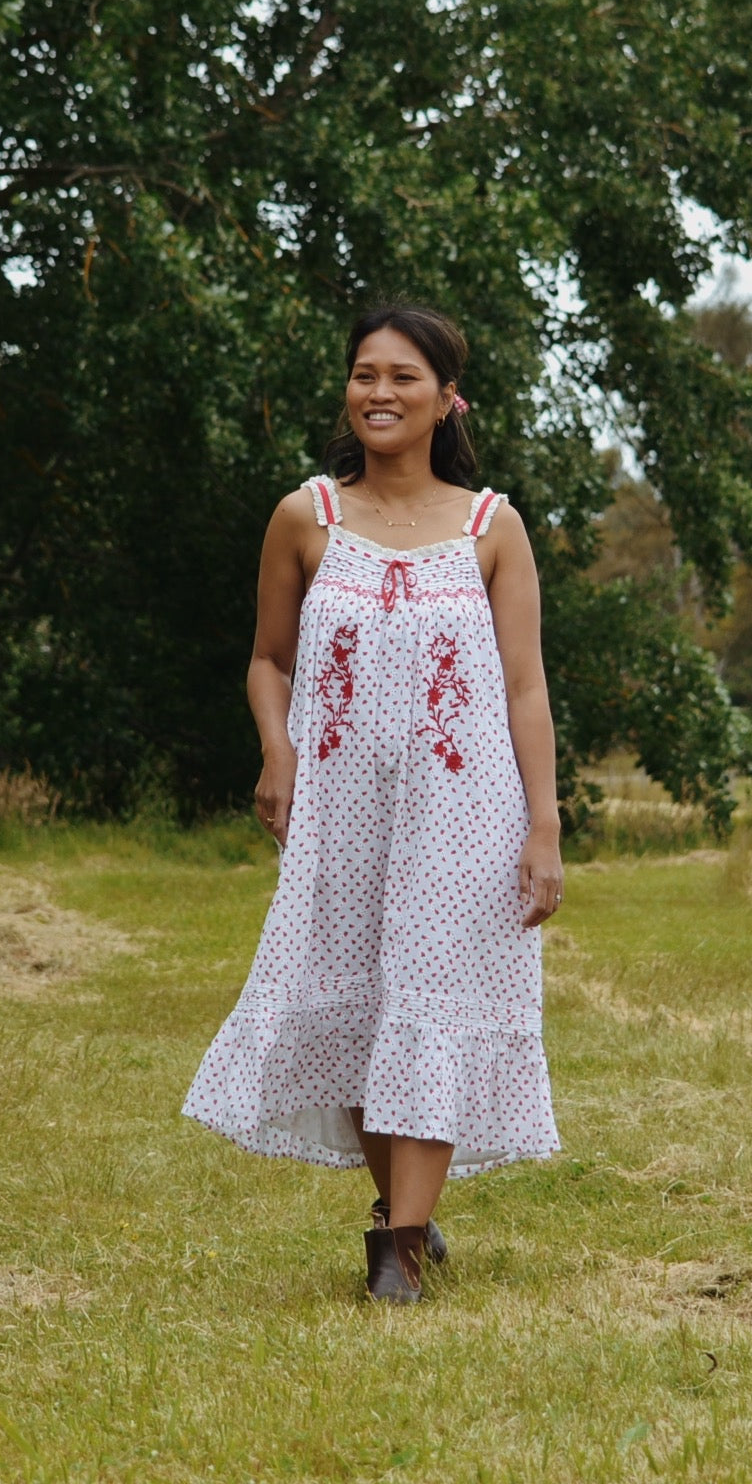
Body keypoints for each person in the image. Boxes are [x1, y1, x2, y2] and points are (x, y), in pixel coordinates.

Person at [182, 304, 562, 1303]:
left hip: (463, 812)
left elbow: (525, 688)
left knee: (431, 998)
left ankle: (393, 1258)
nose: (378, 393)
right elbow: (268, 661)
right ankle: (408, 1216)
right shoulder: (305, 517)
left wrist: (543, 822)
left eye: (402, 377)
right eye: (363, 374)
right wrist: (276, 750)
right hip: (338, 811)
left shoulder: (492, 526)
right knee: (353, 1005)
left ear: (446, 399)